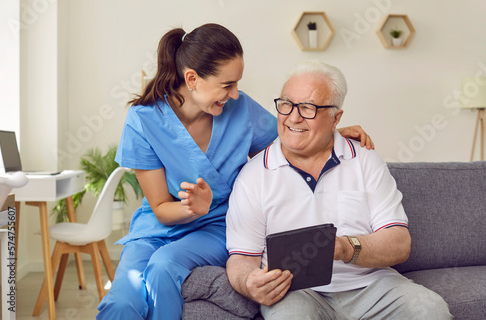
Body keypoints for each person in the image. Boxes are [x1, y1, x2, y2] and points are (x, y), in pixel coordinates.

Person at [96, 24, 373, 320]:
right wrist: (193, 207)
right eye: (227, 85)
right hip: (158, 228)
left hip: (216, 226)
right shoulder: (144, 120)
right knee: (121, 303)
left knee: (165, 266)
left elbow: (288, 145)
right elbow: (162, 210)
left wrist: (333, 132)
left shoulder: (241, 111)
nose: (236, 93)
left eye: (237, 83)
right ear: (192, 79)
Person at [225, 60, 452, 319]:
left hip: (371, 285)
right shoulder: (254, 175)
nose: (293, 117)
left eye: (308, 108)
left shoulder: (365, 161)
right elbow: (241, 257)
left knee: (431, 311)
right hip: (295, 291)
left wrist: (345, 247)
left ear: (336, 118)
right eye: (286, 104)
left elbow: (399, 243)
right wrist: (249, 283)